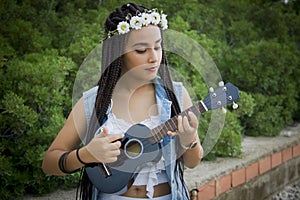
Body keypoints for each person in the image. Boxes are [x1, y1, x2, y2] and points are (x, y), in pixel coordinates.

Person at [42, 3, 203, 200]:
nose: (154, 57)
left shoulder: (176, 95)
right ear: (118, 52)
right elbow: (49, 163)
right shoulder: (95, 101)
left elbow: (193, 162)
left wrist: (190, 140)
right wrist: (85, 155)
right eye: (141, 50)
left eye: (158, 46)